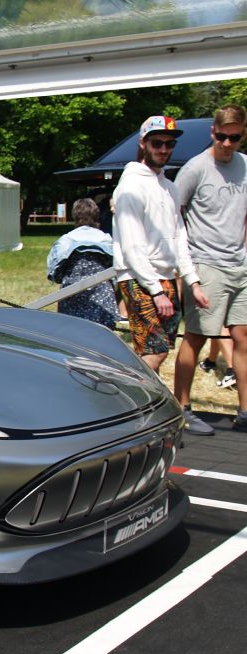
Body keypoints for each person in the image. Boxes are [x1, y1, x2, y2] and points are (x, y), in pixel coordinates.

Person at [112, 115, 208, 383]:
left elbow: (179, 236)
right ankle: (123, 393)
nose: (164, 149)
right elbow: (132, 246)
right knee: (154, 352)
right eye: (157, 143)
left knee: (157, 351)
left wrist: (192, 282)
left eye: (169, 144)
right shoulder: (130, 187)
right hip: (138, 277)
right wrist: (155, 291)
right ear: (143, 143)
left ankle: (137, 397)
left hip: (166, 277)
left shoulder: (169, 188)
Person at [171, 104, 247, 435]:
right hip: (206, 264)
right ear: (212, 133)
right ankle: (182, 408)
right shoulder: (195, 168)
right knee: (197, 336)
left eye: (235, 138)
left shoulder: (245, 166)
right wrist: (186, 272)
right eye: (222, 137)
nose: (227, 144)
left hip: (240, 265)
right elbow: (173, 216)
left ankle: (245, 412)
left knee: (242, 337)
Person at [46, 197, 119, 328]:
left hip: (71, 294)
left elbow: (55, 272)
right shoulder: (106, 239)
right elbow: (116, 267)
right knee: (102, 333)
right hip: (103, 295)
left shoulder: (66, 240)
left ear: (74, 215)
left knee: (72, 332)